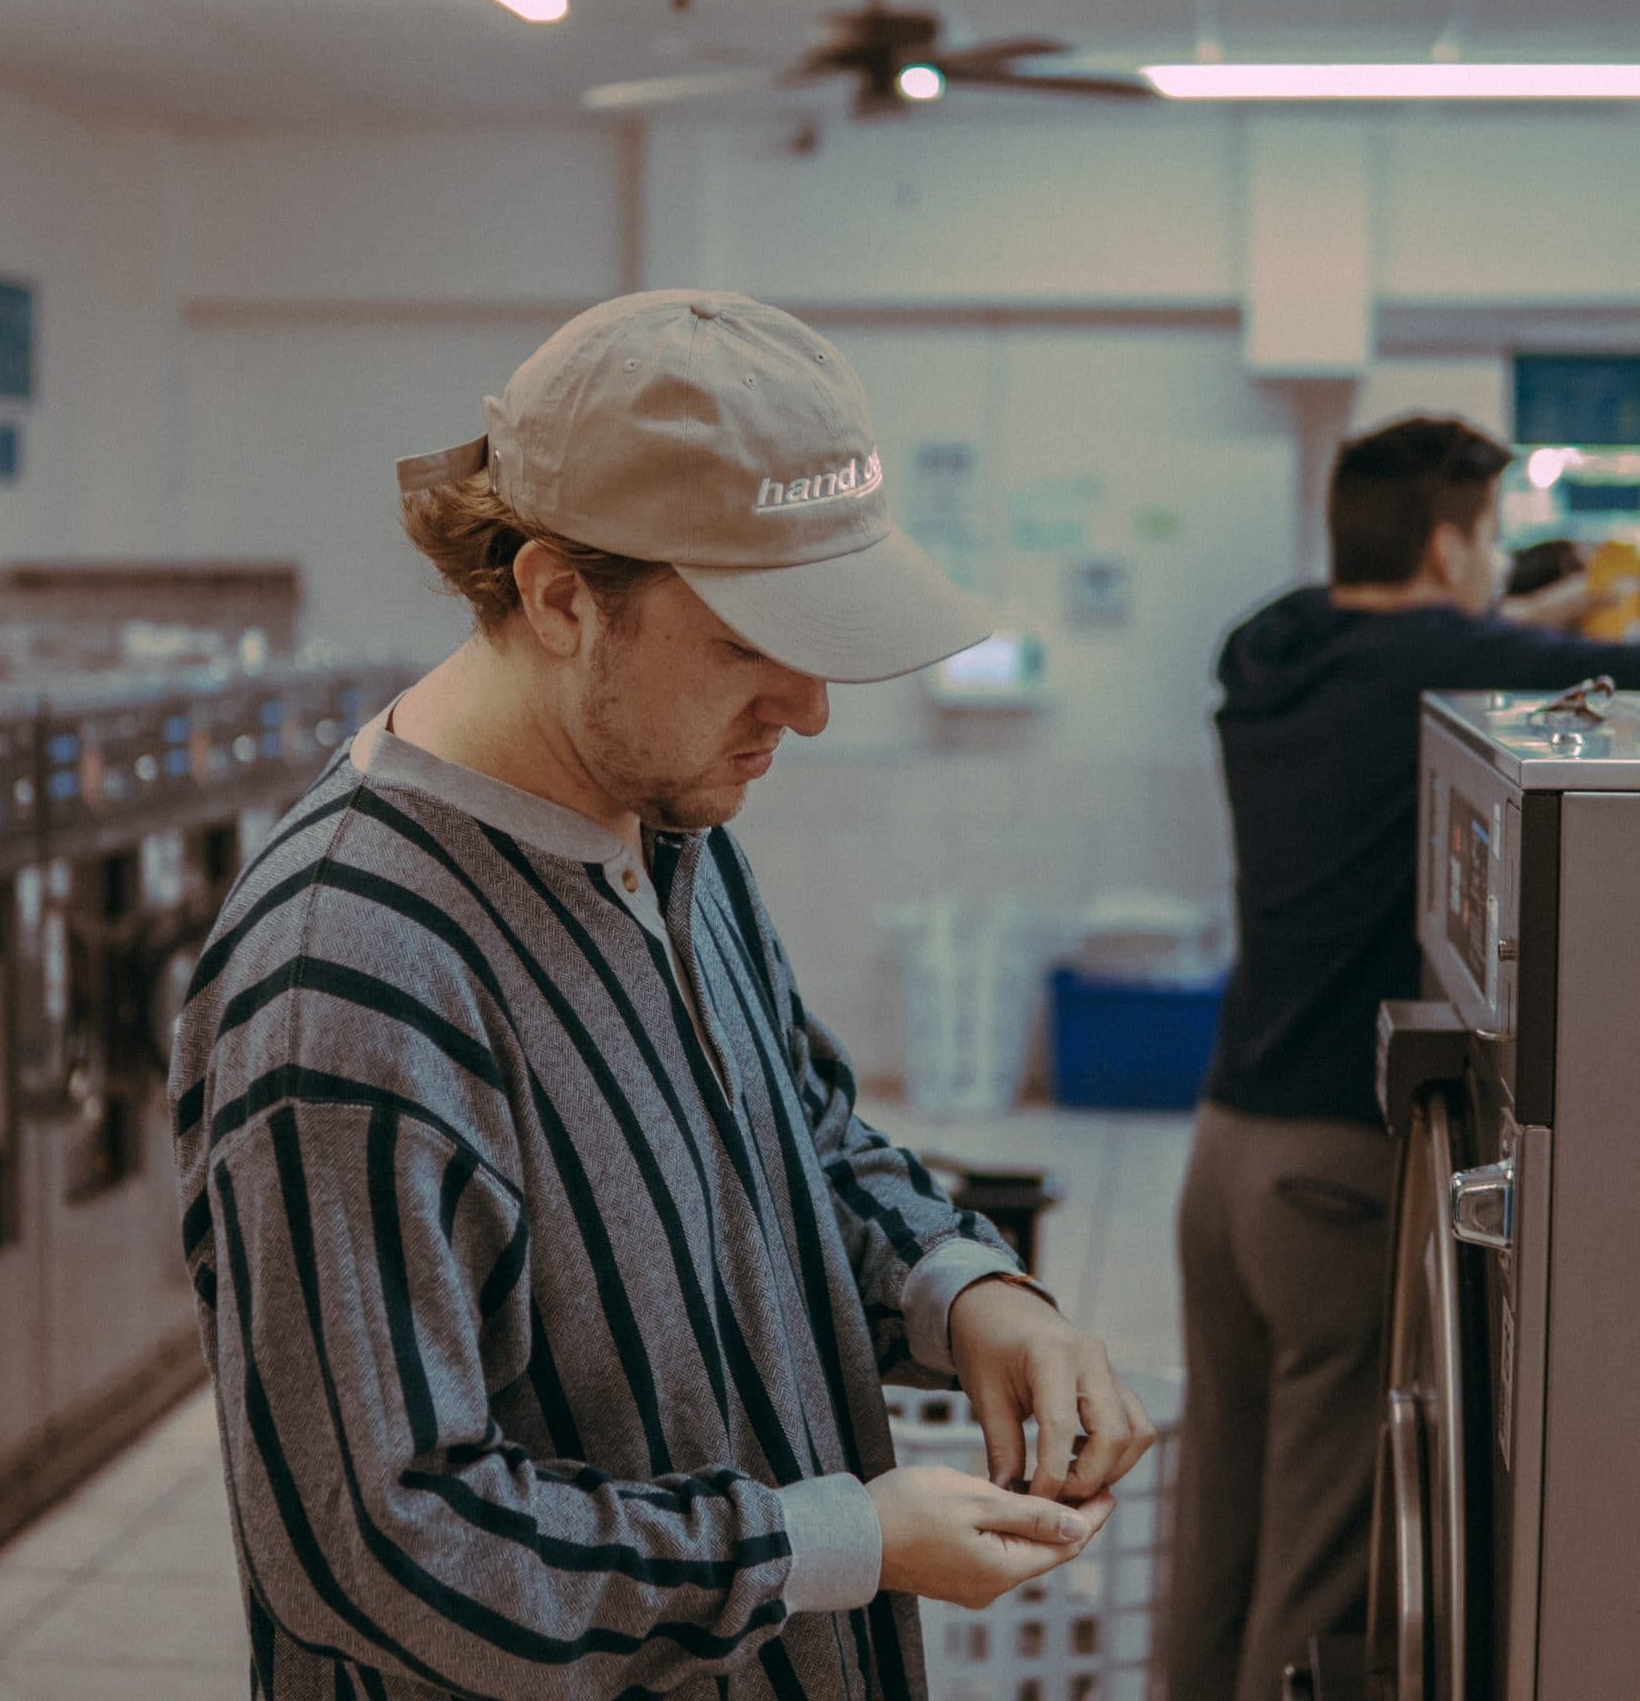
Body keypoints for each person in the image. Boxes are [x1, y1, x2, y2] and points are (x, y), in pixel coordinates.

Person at [172, 290, 1154, 1701]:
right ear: (562, 596)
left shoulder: (666, 824)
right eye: (755, 643)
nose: (810, 708)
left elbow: (802, 1141)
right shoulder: (352, 975)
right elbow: (378, 1542)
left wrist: (972, 1295)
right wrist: (829, 1542)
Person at [1164, 414, 1640, 1701]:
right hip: (1329, 1164)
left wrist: (1528, 603)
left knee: (1217, 1513)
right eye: (1482, 543)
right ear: (1447, 544)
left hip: (1222, 1146)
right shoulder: (1450, 666)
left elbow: (1426, 629)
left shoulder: (1270, 653)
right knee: (1321, 1543)